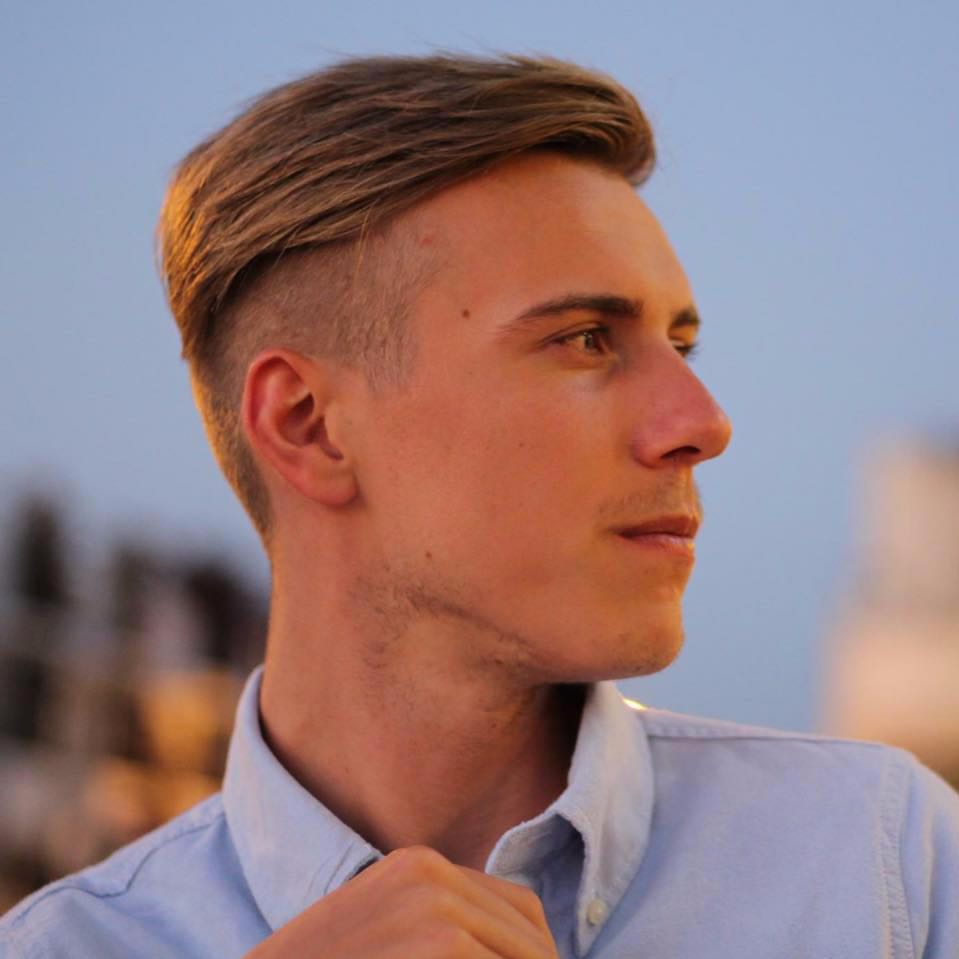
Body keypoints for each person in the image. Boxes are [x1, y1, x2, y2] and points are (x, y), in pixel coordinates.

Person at [2, 52, 957, 959]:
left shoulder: (882, 867)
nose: (702, 423)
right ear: (309, 425)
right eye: (585, 339)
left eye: (681, 345)